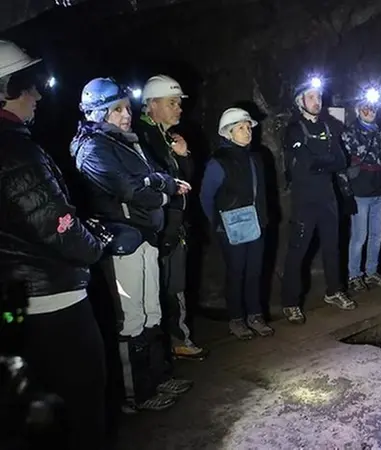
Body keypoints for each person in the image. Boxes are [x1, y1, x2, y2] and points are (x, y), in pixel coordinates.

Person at [0, 40, 113, 449]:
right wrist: (94, 245)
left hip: (19, 298)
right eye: (29, 85)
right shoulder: (15, 150)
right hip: (53, 299)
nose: (38, 95)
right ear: (7, 90)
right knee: (84, 406)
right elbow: (56, 224)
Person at [70, 77, 194, 413]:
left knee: (152, 311)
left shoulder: (126, 142)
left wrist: (156, 183)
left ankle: (156, 377)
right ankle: (134, 394)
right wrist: (162, 190)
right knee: (131, 319)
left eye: (126, 107)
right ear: (98, 113)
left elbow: (154, 174)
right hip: (121, 241)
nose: (127, 114)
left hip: (143, 236)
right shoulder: (92, 148)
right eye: (118, 109)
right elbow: (132, 189)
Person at [135, 74, 208, 361]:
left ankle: (175, 342)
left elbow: (185, 179)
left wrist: (184, 154)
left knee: (174, 285)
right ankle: (166, 347)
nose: (179, 109)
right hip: (158, 227)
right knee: (161, 290)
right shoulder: (142, 138)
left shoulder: (166, 136)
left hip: (174, 225)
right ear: (152, 104)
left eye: (179, 103)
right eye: (172, 103)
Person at [281, 76, 356, 325]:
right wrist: (326, 162)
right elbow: (307, 163)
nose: (317, 101)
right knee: (298, 251)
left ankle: (334, 291)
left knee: (333, 246)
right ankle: (290, 303)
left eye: (318, 97)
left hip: (328, 199)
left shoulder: (327, 127)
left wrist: (322, 162)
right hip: (305, 201)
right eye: (311, 97)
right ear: (300, 101)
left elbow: (342, 160)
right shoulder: (294, 129)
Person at [199, 107, 273, 340]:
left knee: (254, 272)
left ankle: (255, 316)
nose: (247, 131)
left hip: (256, 224)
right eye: (240, 128)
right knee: (236, 273)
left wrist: (263, 219)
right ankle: (236, 319)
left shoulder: (255, 158)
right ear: (228, 133)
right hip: (230, 226)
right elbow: (205, 196)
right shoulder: (218, 162)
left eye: (248, 126)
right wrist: (218, 223)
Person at [341, 87, 381, 292]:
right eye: (365, 107)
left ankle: (371, 272)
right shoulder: (350, 133)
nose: (369, 110)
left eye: (372, 107)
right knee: (359, 236)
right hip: (360, 193)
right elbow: (344, 164)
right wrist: (347, 193)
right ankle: (354, 274)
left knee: (377, 235)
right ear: (357, 110)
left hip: (378, 191)